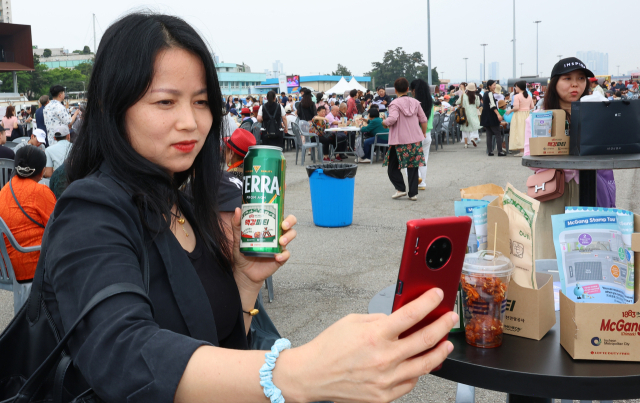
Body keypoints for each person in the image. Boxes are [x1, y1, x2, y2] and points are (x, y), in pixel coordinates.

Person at [31, 13, 457, 403]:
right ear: (111, 107)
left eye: (201, 102)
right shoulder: (90, 210)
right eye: (165, 102)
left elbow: (216, 344)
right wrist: (302, 372)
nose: (191, 122)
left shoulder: (179, 200)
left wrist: (243, 280)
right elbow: (122, 354)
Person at [524, 57, 615, 259]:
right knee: (550, 252)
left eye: (581, 78)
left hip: (590, 188)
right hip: (553, 191)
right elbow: (530, 158)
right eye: (567, 78)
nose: (575, 84)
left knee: (591, 252)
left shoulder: (597, 114)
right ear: (554, 83)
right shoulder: (539, 116)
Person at [0, 145, 55, 282]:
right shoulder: (40, 191)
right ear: (42, 172)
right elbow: (58, 227)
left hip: (5, 267)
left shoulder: (4, 191)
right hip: (32, 266)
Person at [382, 77, 428, 201]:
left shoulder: (394, 104)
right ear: (408, 89)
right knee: (413, 166)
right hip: (414, 139)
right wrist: (423, 133)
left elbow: (392, 119)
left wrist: (384, 122)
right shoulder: (415, 102)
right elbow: (423, 119)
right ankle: (413, 193)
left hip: (399, 141)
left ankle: (400, 188)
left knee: (392, 167)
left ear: (395, 90)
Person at [407, 78, 434, 191]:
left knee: (408, 158)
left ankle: (416, 177)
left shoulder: (413, 103)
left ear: (414, 90)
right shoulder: (430, 101)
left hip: (414, 134)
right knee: (424, 159)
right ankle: (422, 182)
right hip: (427, 134)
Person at [506, 80, 534, 156]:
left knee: (520, 132)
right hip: (527, 114)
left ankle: (522, 150)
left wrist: (510, 110)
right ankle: (527, 150)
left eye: (516, 87)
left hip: (519, 115)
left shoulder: (516, 96)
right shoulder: (529, 96)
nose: (515, 88)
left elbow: (516, 107)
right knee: (527, 131)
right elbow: (532, 107)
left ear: (519, 87)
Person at [480, 80, 505, 156]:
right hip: (491, 115)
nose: (495, 87)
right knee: (497, 133)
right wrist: (498, 115)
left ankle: (490, 151)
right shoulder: (490, 94)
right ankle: (500, 151)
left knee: (489, 134)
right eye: (494, 85)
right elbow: (493, 105)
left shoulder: (485, 93)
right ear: (489, 86)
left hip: (485, 115)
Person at [456, 82, 481, 149]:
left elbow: (457, 102)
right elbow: (478, 105)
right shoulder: (476, 97)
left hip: (464, 114)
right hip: (473, 114)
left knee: (464, 129)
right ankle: (472, 137)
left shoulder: (464, 96)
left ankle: (466, 144)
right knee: (474, 127)